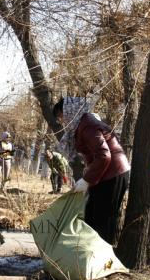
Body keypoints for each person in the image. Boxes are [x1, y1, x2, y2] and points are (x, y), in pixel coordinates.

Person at [53, 96, 130, 246]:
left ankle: (100, 262)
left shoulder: (87, 126)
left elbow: (104, 155)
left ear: (69, 112)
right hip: (106, 174)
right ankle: (91, 258)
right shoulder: (83, 124)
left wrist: (87, 180)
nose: (63, 122)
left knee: (102, 221)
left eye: (62, 117)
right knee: (92, 218)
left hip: (112, 175)